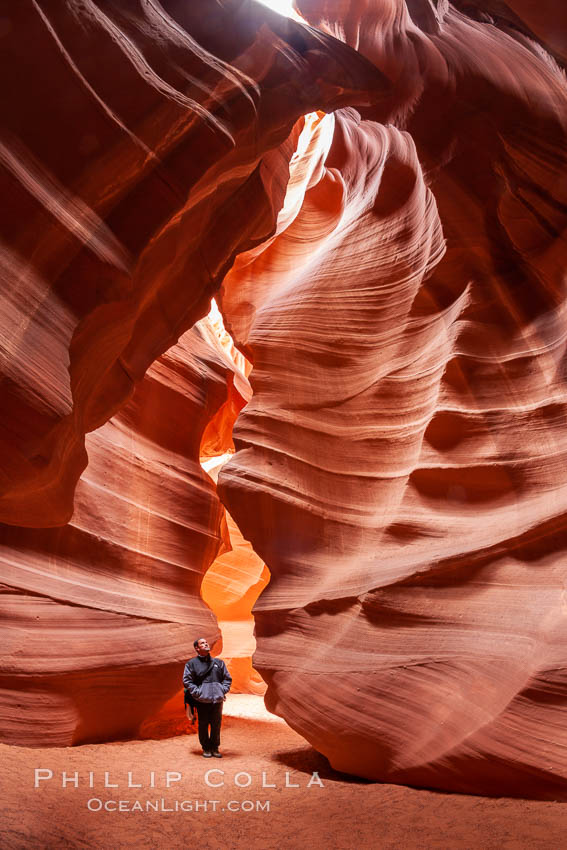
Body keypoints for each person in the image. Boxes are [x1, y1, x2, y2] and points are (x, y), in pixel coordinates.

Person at [183, 637, 232, 758]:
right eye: (202, 643)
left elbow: (227, 678)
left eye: (206, 642)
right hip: (202, 700)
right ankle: (206, 748)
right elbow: (187, 680)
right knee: (203, 725)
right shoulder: (191, 664)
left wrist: (222, 690)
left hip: (217, 700)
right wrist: (198, 693)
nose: (205, 644)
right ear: (197, 648)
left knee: (216, 724)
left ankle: (215, 748)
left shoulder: (218, 663)